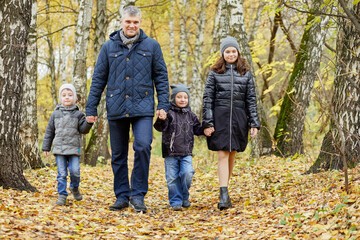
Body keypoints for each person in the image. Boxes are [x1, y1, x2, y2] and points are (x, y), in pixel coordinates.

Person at [85, 6, 169, 213]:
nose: (132, 26)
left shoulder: (152, 45)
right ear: (122, 22)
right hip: (116, 106)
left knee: (142, 146)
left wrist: (163, 104)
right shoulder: (108, 47)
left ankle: (138, 195)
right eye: (128, 22)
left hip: (143, 106)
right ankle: (122, 195)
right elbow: (98, 79)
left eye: (136, 22)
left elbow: (161, 76)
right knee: (118, 154)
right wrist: (90, 107)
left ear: (140, 23)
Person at [202, 36, 260, 210]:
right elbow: (207, 99)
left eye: (233, 51)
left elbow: (251, 99)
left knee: (232, 153)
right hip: (220, 117)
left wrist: (254, 123)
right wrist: (208, 122)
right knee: (222, 153)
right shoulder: (214, 73)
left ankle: (225, 189)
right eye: (227, 51)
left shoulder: (246, 73)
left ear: (238, 53)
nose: (231, 54)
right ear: (223, 54)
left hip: (239, 118)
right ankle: (223, 193)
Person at [154, 84, 203, 211]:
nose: (182, 100)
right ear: (173, 98)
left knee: (187, 173)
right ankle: (176, 201)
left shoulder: (191, 115)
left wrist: (206, 130)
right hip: (170, 153)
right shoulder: (168, 113)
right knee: (172, 178)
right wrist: (161, 119)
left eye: (185, 97)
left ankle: (184, 196)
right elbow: (159, 127)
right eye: (179, 97)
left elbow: (198, 129)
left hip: (186, 152)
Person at [42, 83, 93, 206]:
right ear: (60, 98)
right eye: (64, 95)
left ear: (75, 98)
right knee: (62, 174)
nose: (67, 97)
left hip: (73, 148)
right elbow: (50, 131)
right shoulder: (55, 114)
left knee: (75, 171)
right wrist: (46, 147)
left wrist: (89, 123)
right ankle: (62, 195)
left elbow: (83, 130)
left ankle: (74, 188)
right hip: (59, 149)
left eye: (70, 95)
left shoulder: (79, 114)